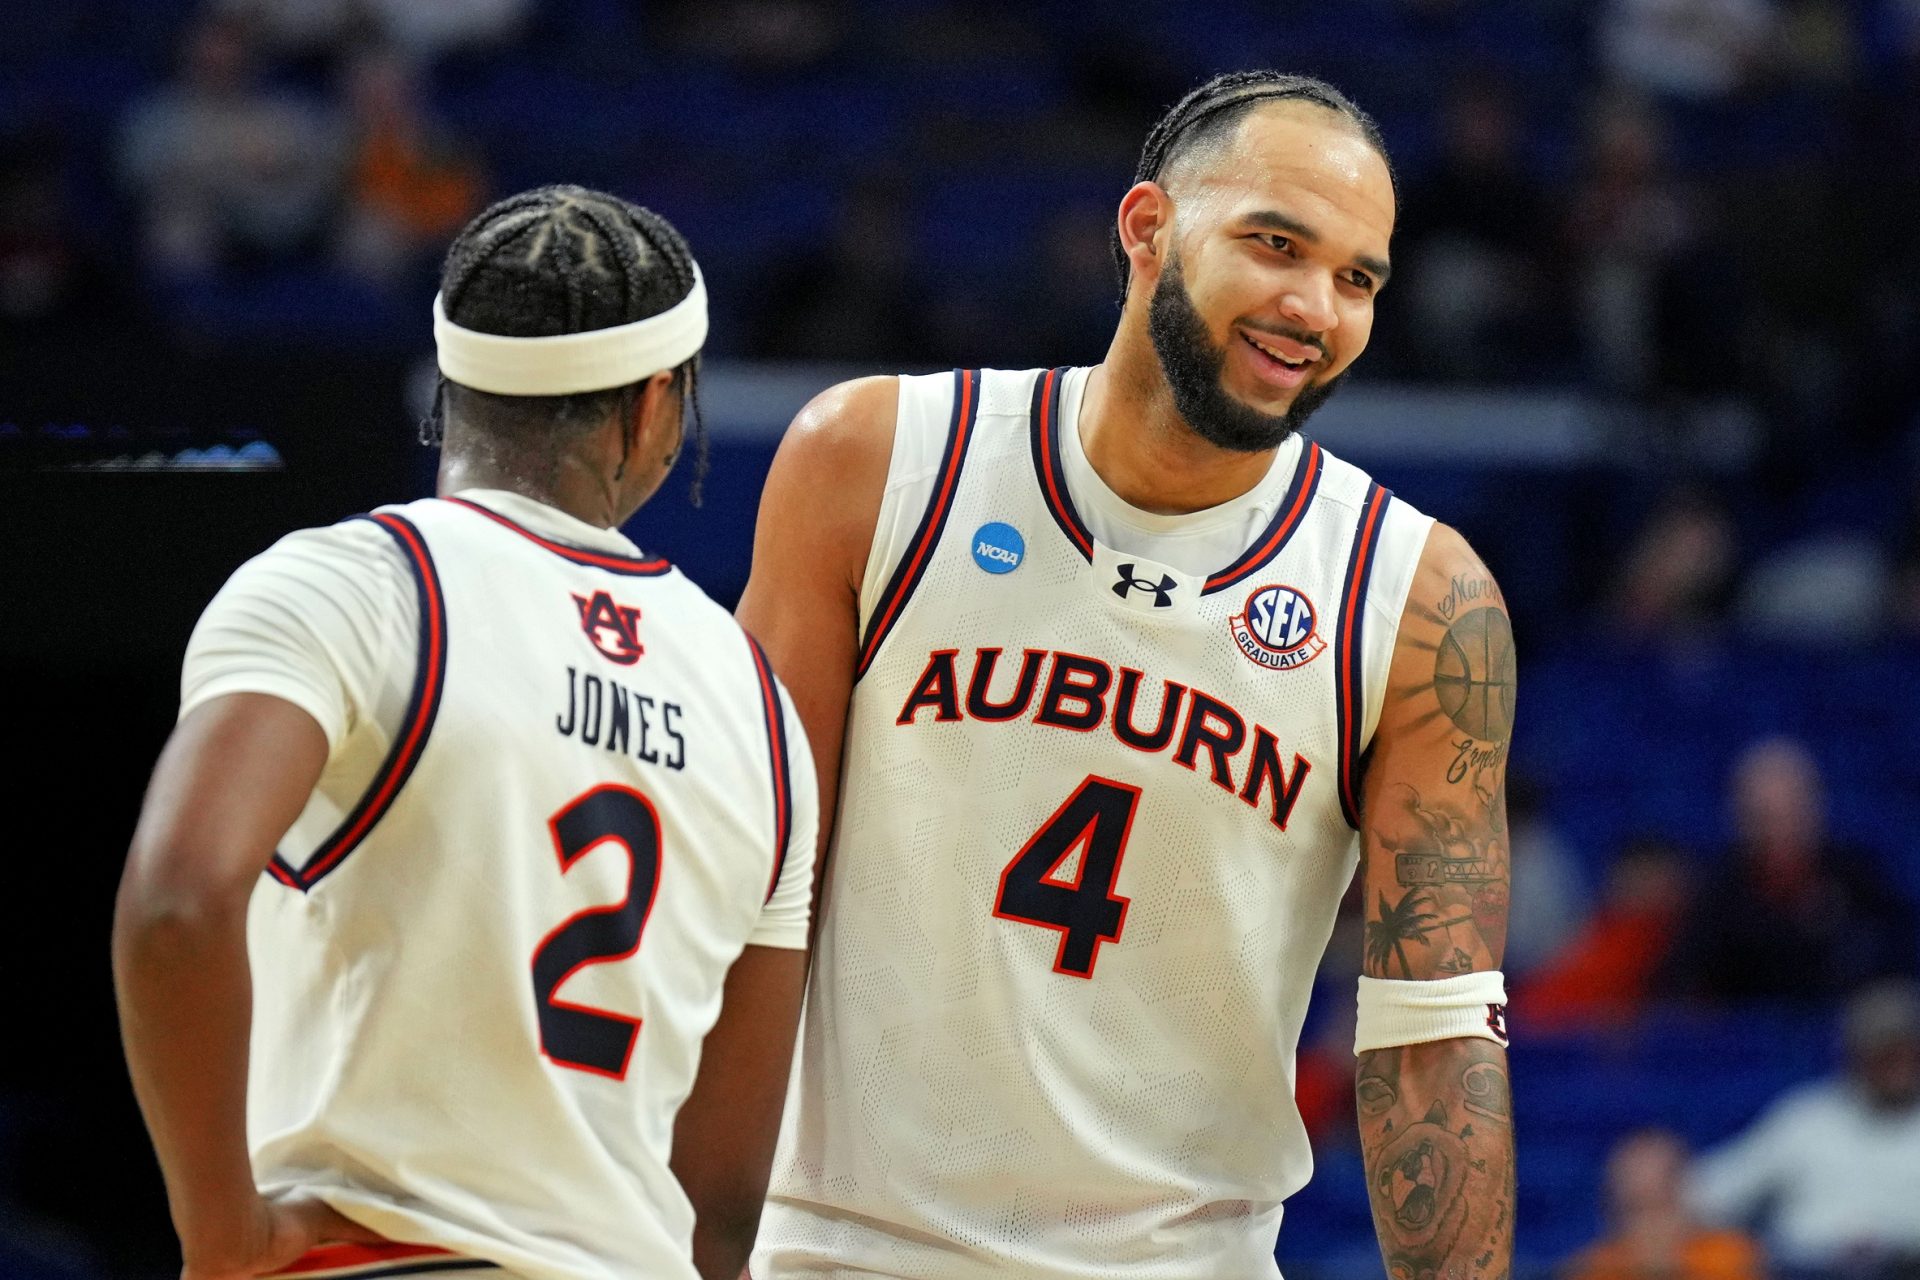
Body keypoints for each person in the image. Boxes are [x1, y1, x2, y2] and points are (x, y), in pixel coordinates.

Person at [740, 72, 1517, 1279]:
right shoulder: (878, 464)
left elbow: (1434, 1038)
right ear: (1148, 226)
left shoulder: (1417, 595)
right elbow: (748, 898)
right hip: (841, 1246)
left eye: (1358, 277)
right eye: (1276, 244)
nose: (1314, 306)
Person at [113, 185, 817, 1280]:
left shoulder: (353, 585)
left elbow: (174, 903)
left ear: (453, 384)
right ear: (657, 407)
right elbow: (722, 1201)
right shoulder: (759, 707)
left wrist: (221, 1228)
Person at [1688, 980, 1920, 1278]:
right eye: (1884, 1050)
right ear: (1856, 1052)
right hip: (1809, 1269)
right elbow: (1713, 1190)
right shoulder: (1806, 1119)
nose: (1897, 1062)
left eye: (1906, 1047)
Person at [1663, 736, 1917, 1002]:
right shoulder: (1716, 892)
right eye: (1765, 817)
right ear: (1742, 819)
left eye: (1792, 811)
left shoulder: (1858, 878)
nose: (1782, 829)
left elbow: (1897, 964)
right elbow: (1687, 982)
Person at [1566, 1129, 1764, 1280]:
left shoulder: (1730, 1259)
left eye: (1662, 1211)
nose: (1652, 1231)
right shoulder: (1596, 1268)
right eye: (1637, 1213)